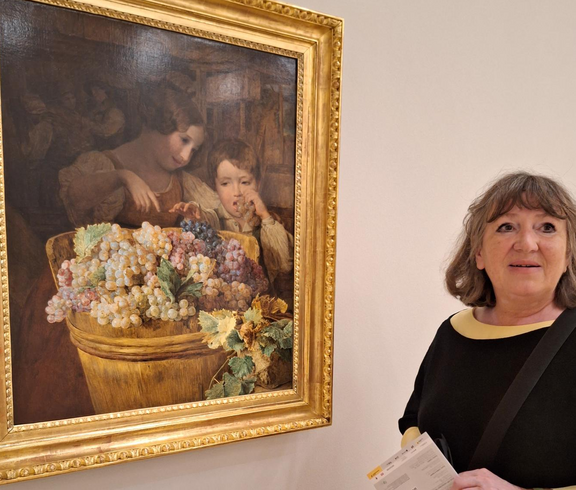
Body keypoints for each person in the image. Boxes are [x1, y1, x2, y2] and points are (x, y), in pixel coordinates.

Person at [399, 172, 576, 489]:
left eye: (547, 227)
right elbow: (413, 420)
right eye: (506, 226)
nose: (526, 243)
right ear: (479, 253)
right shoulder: (453, 332)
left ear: (568, 255)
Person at [59, 85, 219, 228]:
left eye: (193, 150)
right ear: (159, 125)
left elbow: (215, 214)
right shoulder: (105, 163)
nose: (186, 156)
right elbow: (75, 198)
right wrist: (122, 176)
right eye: (184, 140)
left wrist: (196, 216)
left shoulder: (180, 180)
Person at [170, 138, 293, 286]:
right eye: (225, 183)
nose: (237, 192)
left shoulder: (266, 225)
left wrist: (265, 216)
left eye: (245, 182)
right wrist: (196, 216)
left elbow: (285, 265)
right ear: (215, 187)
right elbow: (205, 220)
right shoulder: (215, 218)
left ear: (258, 184)